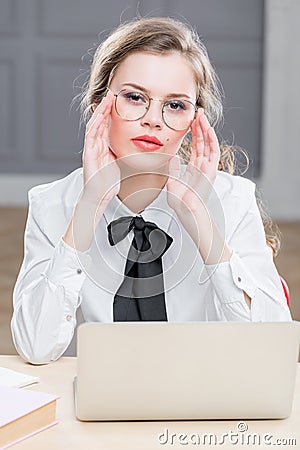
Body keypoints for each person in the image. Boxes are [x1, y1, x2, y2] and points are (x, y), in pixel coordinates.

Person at [11, 17, 291, 365]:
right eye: (134, 97)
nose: (153, 119)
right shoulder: (51, 204)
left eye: (175, 105)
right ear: (100, 102)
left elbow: (272, 351)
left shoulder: (233, 199)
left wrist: (200, 219)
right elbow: (35, 347)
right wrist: (88, 208)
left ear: (194, 120)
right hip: (103, 402)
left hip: (205, 402)